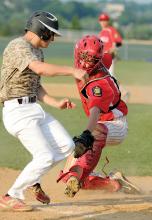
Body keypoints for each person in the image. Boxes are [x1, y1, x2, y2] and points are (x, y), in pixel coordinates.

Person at [0, 11, 87, 212]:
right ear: (42, 31)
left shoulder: (37, 51)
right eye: (51, 33)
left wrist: (55, 103)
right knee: (45, 156)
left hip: (33, 108)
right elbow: (39, 69)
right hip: (17, 112)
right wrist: (72, 70)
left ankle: (32, 180)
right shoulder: (18, 46)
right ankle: (11, 195)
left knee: (66, 146)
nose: (53, 38)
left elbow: (36, 86)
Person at [57, 35, 140, 197]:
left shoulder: (98, 84)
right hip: (101, 124)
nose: (86, 63)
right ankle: (114, 183)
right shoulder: (99, 61)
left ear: (97, 61)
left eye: (92, 60)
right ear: (77, 52)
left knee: (96, 133)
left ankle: (78, 172)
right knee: (70, 178)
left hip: (116, 125)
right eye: (84, 57)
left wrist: (86, 135)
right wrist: (112, 53)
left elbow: (95, 110)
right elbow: (107, 57)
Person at [98, 12, 130, 103]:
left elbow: (119, 42)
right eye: (101, 20)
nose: (103, 22)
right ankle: (117, 93)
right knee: (106, 76)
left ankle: (123, 92)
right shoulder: (101, 33)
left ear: (108, 21)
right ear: (99, 21)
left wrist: (114, 48)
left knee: (109, 75)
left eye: (105, 20)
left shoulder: (110, 30)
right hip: (103, 58)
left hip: (110, 57)